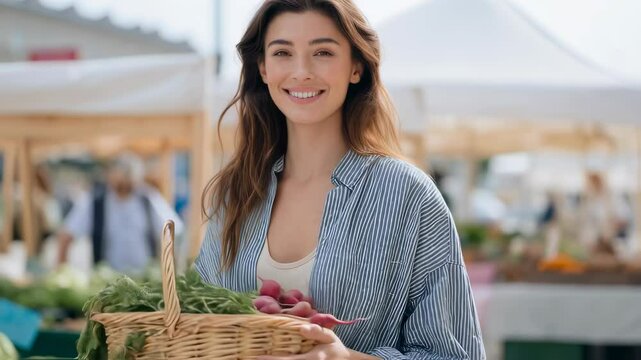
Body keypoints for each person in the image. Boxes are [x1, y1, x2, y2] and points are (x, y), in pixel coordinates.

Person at [195, 1, 485, 359]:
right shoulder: (236, 194)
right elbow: (198, 325)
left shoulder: (409, 197)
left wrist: (346, 358)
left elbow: (456, 354)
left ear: (356, 67)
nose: (301, 71)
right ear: (263, 68)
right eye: (283, 52)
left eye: (323, 52)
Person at [56, 153, 184, 275]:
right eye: (120, 178)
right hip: (108, 284)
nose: (124, 184)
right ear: (109, 176)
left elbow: (173, 231)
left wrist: (172, 273)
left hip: (146, 282)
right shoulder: (95, 202)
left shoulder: (148, 198)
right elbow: (66, 235)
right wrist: (62, 273)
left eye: (128, 180)